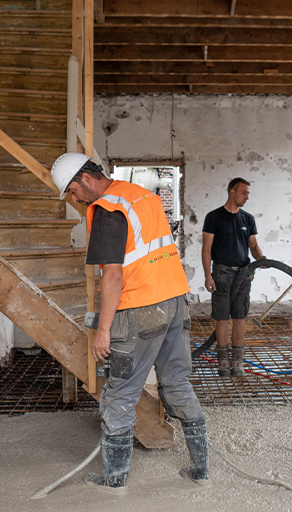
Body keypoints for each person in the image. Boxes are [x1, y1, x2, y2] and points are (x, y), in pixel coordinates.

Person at [51, 153, 208, 494]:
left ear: (86, 179)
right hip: (175, 303)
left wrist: (103, 330)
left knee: (119, 394)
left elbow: (113, 277)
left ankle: (115, 480)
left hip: (139, 309)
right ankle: (201, 469)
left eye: (74, 193)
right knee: (177, 383)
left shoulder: (108, 209)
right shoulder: (142, 196)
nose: (76, 201)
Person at [202, 178, 266, 377]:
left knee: (240, 318)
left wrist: (261, 258)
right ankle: (223, 362)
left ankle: (237, 362)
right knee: (222, 318)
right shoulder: (214, 217)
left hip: (243, 274)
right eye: (244, 192)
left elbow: (253, 246)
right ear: (232, 191)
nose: (247, 197)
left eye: (248, 193)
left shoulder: (247, 219)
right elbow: (206, 249)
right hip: (221, 273)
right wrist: (207, 276)